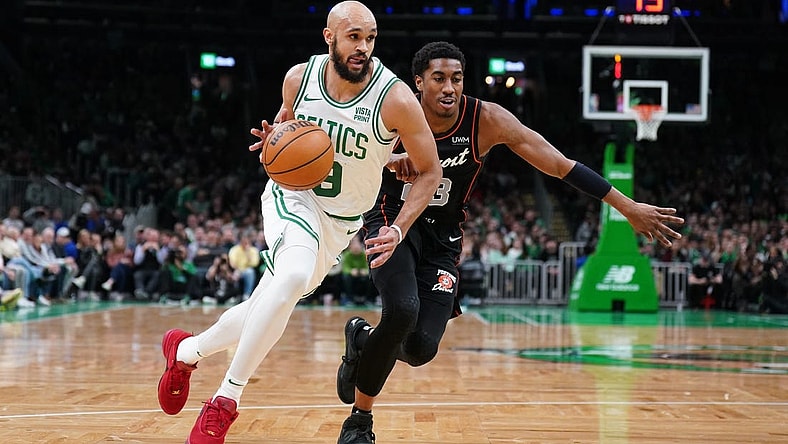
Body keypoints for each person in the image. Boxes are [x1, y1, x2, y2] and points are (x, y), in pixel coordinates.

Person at [334, 41, 685, 443]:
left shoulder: (486, 120)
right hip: (393, 222)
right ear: (419, 83)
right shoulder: (393, 110)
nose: (449, 87)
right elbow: (346, 153)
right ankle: (359, 422)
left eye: (456, 78)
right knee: (401, 311)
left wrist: (628, 207)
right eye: (439, 78)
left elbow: (559, 165)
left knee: (420, 348)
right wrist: (385, 159)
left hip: (443, 238)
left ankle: (361, 339)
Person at [155, 2, 441, 444]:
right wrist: (274, 141)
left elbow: (430, 172)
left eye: (370, 38)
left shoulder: (396, 99)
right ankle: (226, 400)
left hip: (340, 224)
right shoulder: (299, 79)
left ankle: (185, 351)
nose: (363, 47)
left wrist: (397, 225)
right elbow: (288, 136)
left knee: (271, 300)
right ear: (329, 37)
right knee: (289, 277)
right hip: (292, 198)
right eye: (353, 37)